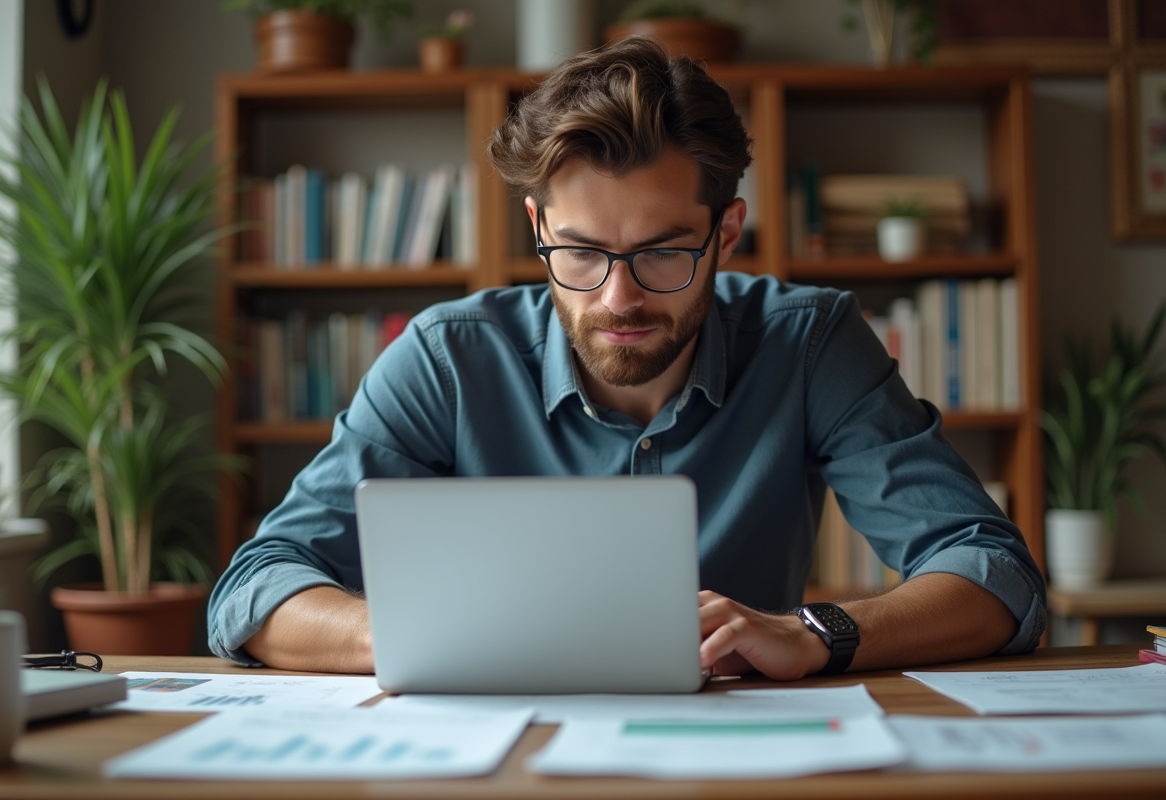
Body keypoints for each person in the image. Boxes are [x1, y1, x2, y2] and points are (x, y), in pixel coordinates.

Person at [208, 38, 1046, 679]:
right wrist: (412, 633)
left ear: (726, 231)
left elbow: (994, 573)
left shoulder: (809, 342)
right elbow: (256, 587)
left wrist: (815, 632)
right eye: (579, 253)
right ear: (537, 228)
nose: (617, 299)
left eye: (663, 252)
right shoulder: (446, 358)